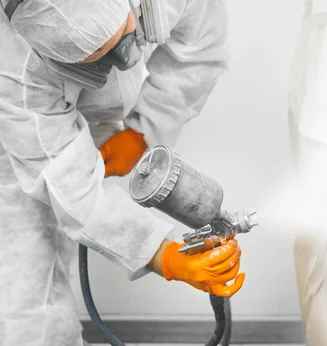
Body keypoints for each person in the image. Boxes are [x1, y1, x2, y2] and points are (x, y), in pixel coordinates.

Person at [0, 0, 245, 345]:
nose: (128, 61)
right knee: (26, 293)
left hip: (86, 109)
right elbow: (72, 189)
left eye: (127, 33)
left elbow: (199, 46)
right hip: (20, 137)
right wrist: (162, 255)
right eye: (99, 55)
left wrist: (146, 129)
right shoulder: (14, 77)